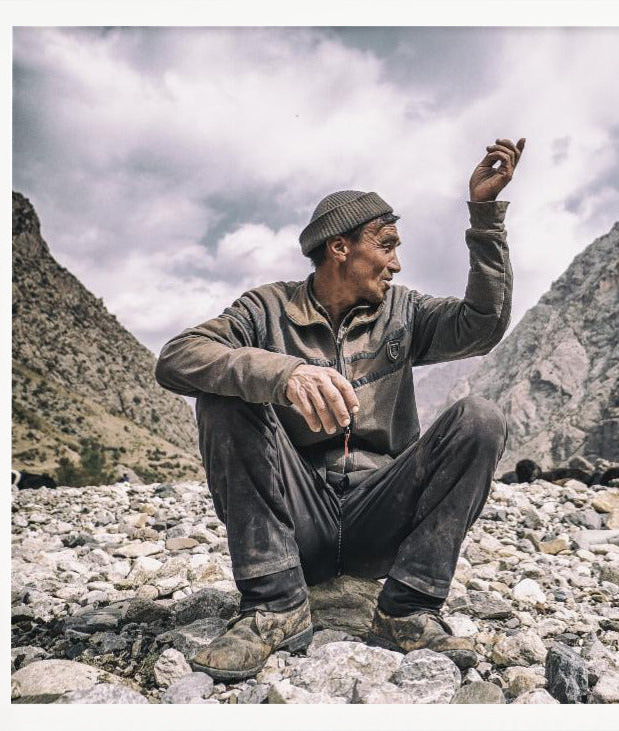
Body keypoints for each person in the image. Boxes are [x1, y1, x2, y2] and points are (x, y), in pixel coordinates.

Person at [155, 137, 525, 681]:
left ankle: (409, 610)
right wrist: (283, 375)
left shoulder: (406, 312)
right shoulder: (266, 309)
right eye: (387, 245)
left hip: (382, 515)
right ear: (340, 248)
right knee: (222, 393)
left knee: (481, 419)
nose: (397, 263)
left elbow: (483, 326)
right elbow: (178, 357)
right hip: (294, 519)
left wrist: (485, 216)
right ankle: (276, 605)